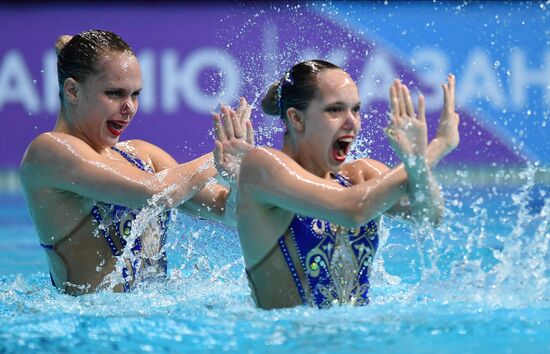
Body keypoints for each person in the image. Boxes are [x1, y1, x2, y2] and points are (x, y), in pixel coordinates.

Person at [19, 30, 254, 295]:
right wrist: (219, 156)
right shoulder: (49, 151)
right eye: (114, 93)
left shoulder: (143, 155)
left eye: (135, 95)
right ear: (73, 90)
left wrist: (235, 177)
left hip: (155, 320)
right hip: (92, 326)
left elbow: (230, 213)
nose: (129, 107)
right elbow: (155, 192)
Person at [233, 60, 460, 309]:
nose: (352, 122)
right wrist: (437, 148)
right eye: (335, 110)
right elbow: (350, 210)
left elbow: (428, 215)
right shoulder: (262, 167)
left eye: (356, 110)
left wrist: (416, 165)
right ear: (297, 119)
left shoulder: (361, 175)